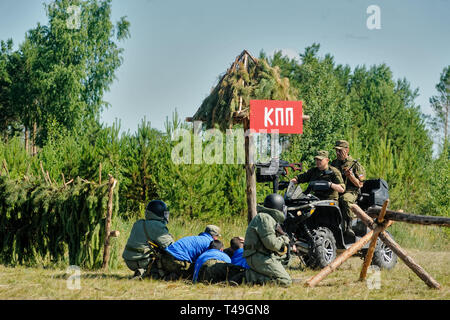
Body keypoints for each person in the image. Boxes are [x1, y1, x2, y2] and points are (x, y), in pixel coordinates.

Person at [242, 193, 292, 287]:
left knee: (288, 260)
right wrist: (284, 239)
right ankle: (250, 276)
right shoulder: (265, 218)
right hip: (258, 256)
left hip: (261, 255)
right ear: (278, 207)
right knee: (286, 281)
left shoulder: (268, 218)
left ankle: (257, 274)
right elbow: (272, 244)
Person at [122, 200, 174, 279]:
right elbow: (171, 246)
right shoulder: (157, 226)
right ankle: (149, 273)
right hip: (142, 261)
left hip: (129, 261)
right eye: (165, 213)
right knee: (169, 258)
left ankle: (142, 271)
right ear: (160, 213)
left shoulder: (138, 223)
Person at [330, 140, 366, 236]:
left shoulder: (355, 165)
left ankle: (349, 226)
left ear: (347, 150)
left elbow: (360, 184)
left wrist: (350, 176)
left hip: (351, 191)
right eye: (336, 151)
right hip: (337, 190)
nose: (337, 153)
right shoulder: (333, 164)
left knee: (345, 199)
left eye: (340, 151)